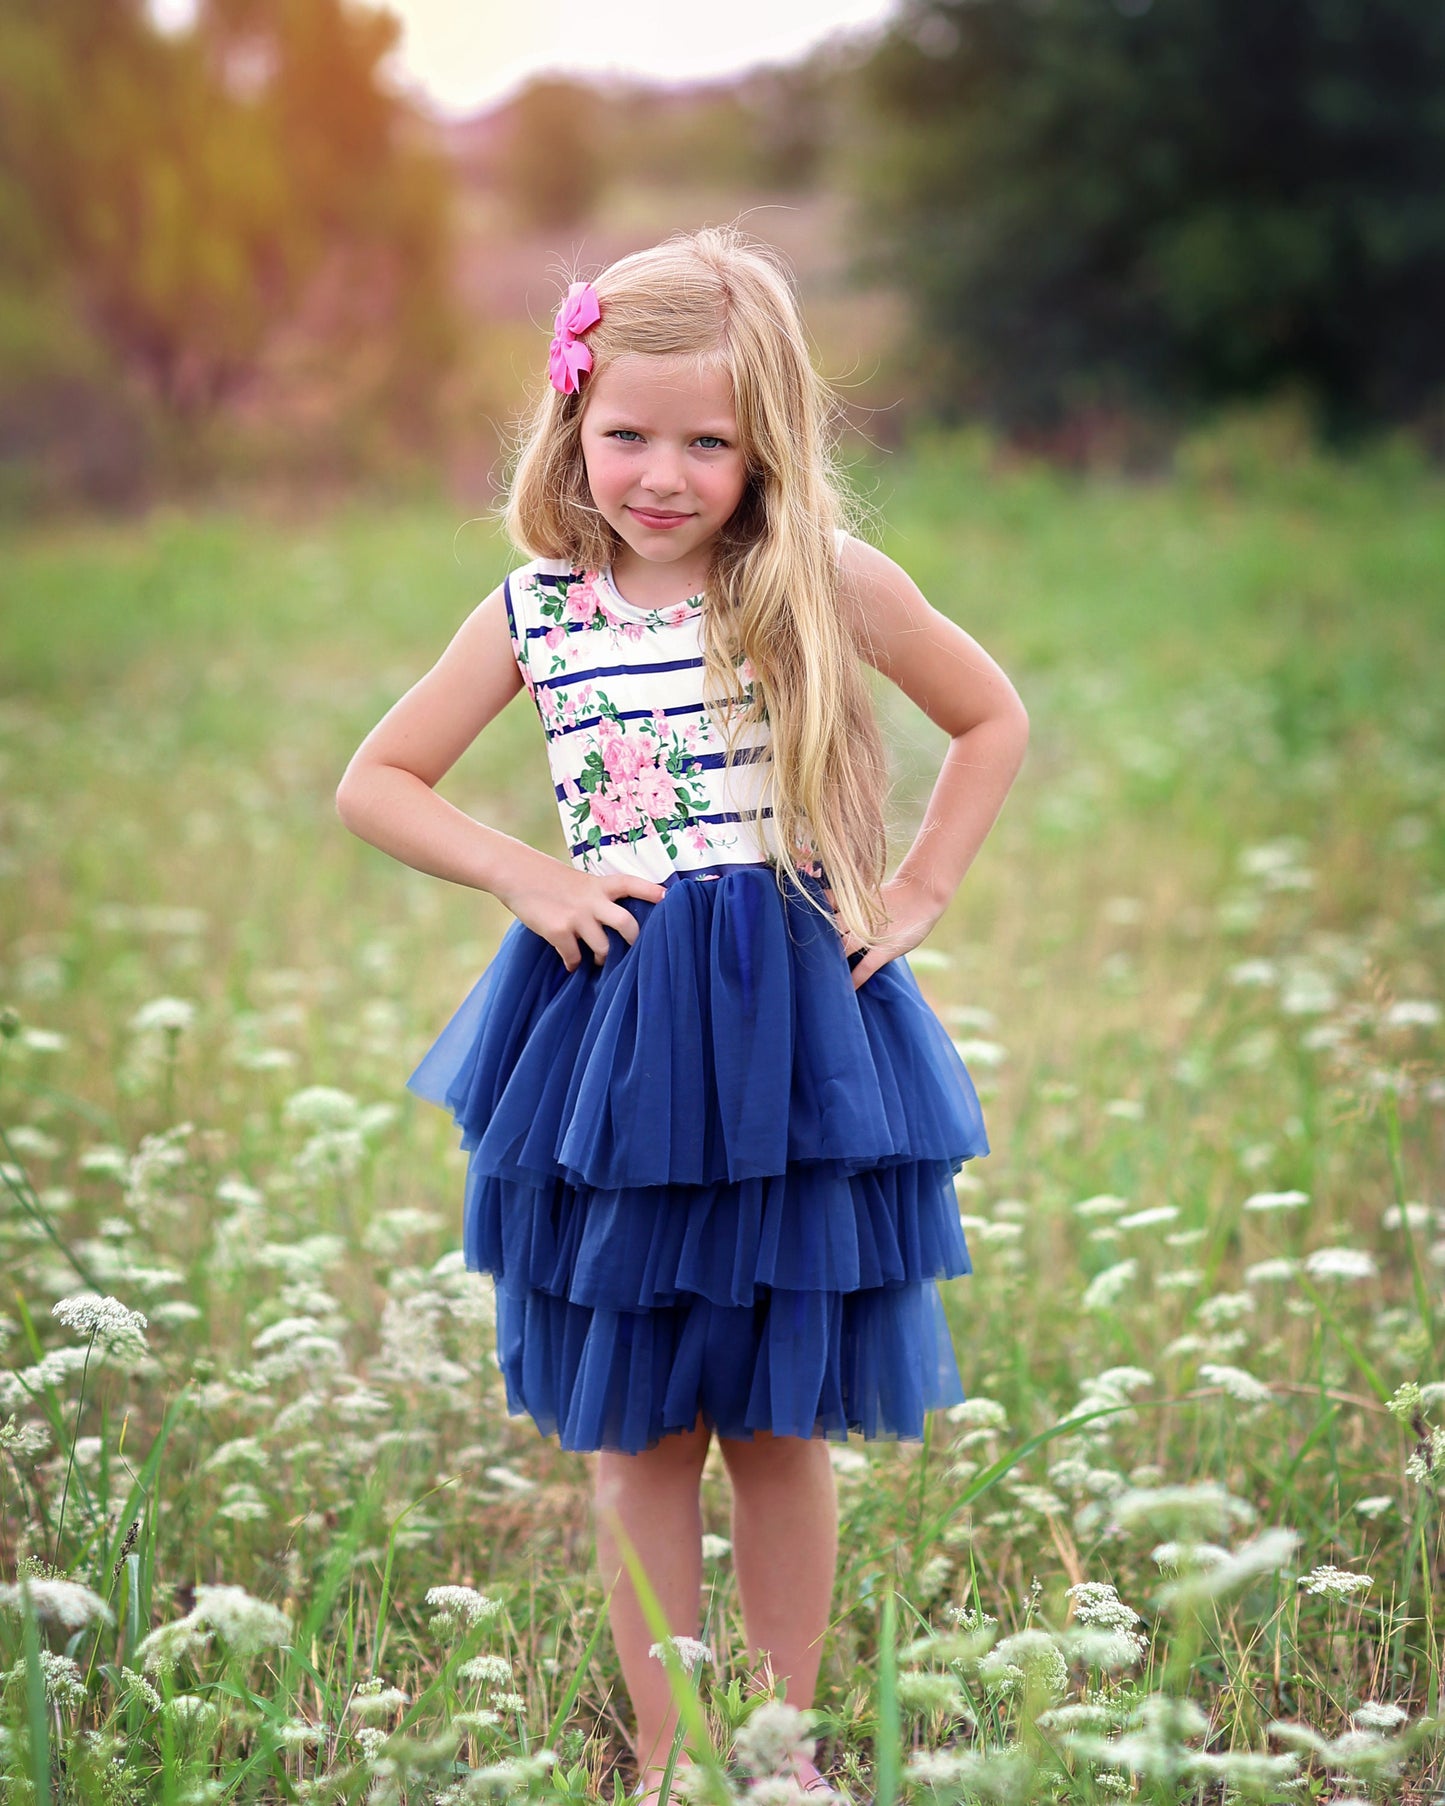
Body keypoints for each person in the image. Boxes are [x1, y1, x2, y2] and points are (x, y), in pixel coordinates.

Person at [335, 224, 1029, 1802]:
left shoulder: (822, 583)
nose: (661, 471)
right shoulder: (539, 607)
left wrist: (913, 888)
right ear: (572, 416)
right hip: (613, 1033)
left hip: (792, 1030)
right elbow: (375, 778)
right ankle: (667, 1760)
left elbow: (989, 714)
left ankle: (776, 1756)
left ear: (765, 439)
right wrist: (524, 870)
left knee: (779, 1417)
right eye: (628, 430)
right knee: (639, 1430)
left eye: (708, 440)